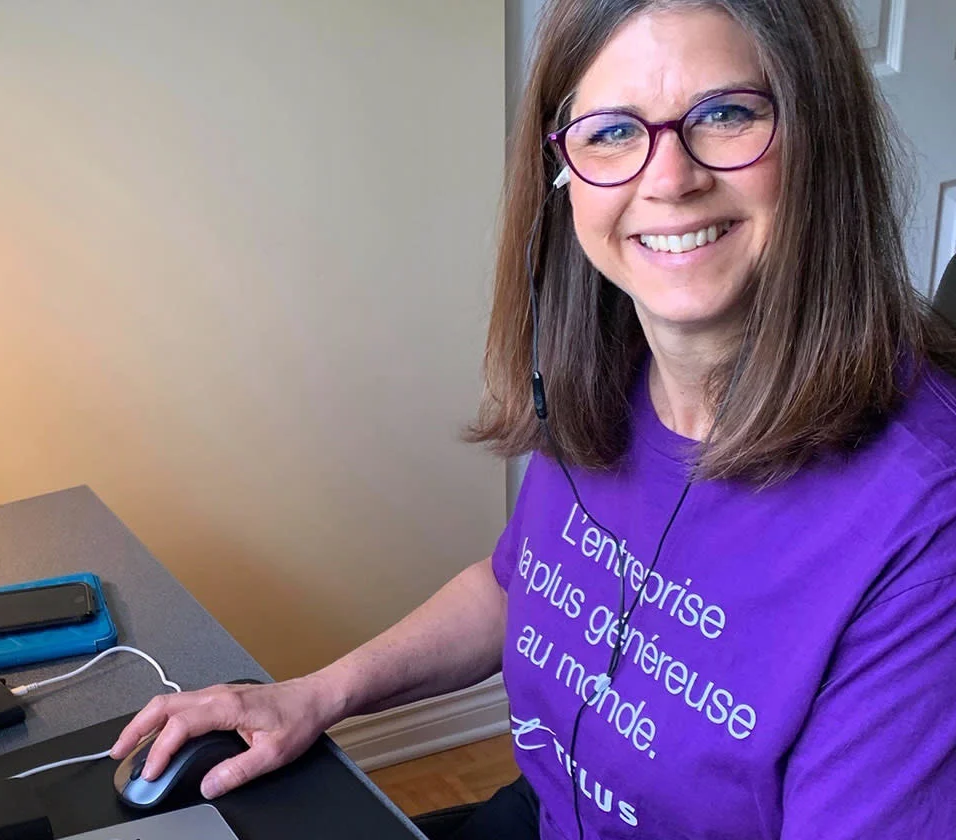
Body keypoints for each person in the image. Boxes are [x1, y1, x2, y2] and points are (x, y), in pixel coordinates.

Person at [110, 1, 956, 838]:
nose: (668, 179)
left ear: (822, 136)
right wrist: (312, 696)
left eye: (727, 114)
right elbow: (519, 585)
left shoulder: (923, 521)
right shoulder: (606, 373)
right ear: (563, 174)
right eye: (612, 131)